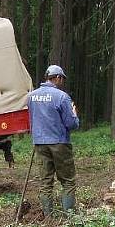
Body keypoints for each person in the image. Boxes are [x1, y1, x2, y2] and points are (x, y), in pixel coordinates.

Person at [26, 65, 80, 217]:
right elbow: (71, 124)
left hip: (40, 143)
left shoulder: (31, 96)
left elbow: (32, 118)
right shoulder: (62, 97)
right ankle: (69, 217)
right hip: (59, 143)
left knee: (45, 182)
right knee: (68, 181)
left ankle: (49, 217)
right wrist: (75, 115)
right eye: (62, 78)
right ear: (57, 78)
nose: (62, 82)